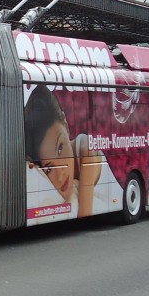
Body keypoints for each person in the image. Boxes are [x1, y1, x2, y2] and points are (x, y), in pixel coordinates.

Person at [24, 85, 105, 218]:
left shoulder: (86, 149)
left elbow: (84, 214)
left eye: (60, 148)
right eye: (49, 168)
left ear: (66, 125)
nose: (60, 175)